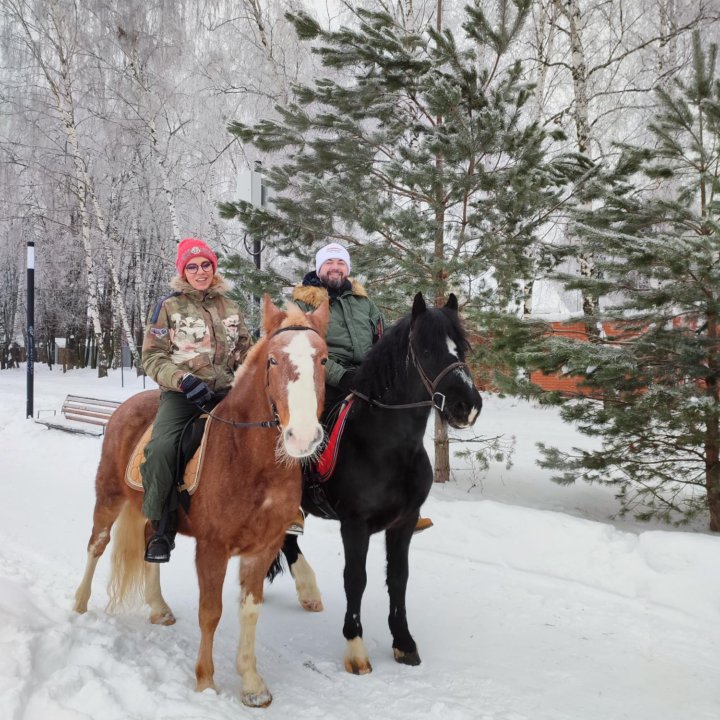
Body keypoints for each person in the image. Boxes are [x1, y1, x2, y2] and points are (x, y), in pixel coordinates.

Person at [291, 242, 433, 535]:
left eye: (340, 263)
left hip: (369, 379)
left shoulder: (365, 303)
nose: (335, 267)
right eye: (329, 263)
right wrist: (341, 377)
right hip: (323, 380)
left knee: (400, 426)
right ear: (319, 269)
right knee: (305, 429)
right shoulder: (304, 305)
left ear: (347, 269)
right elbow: (304, 349)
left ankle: (405, 505)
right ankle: (293, 502)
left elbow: (384, 341)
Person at [140, 238, 251, 562]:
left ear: (213, 268)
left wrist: (248, 380)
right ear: (183, 271)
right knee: (162, 448)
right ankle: (161, 528)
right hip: (184, 395)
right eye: (192, 266)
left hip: (227, 393)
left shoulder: (231, 307)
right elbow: (152, 357)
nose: (200, 271)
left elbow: (247, 351)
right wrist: (183, 380)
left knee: (270, 434)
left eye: (205, 265)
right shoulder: (168, 307)